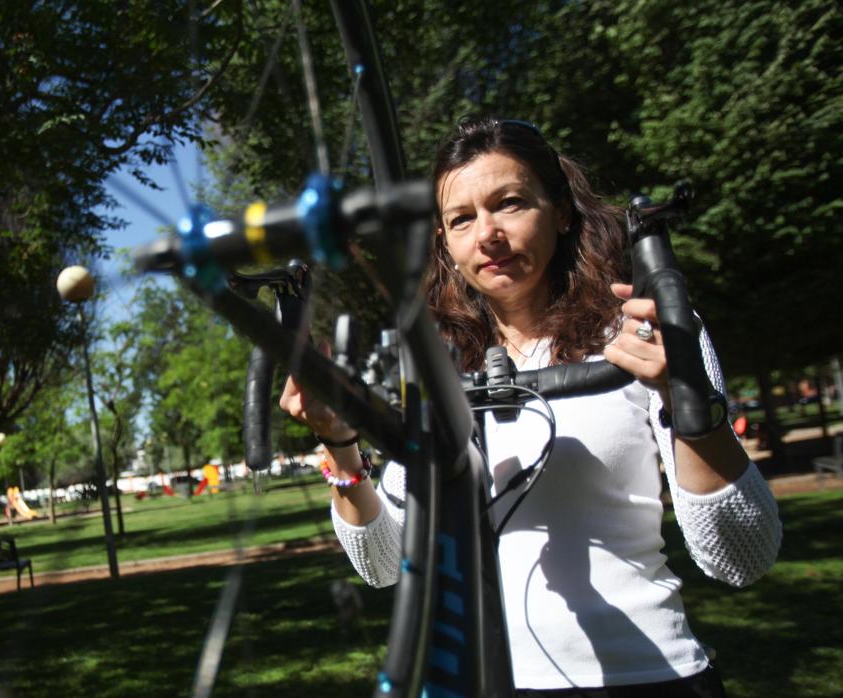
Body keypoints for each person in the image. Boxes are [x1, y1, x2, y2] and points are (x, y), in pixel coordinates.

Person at [280, 117, 782, 696]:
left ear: (562, 212)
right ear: (444, 240)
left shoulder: (644, 334)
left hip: (647, 678)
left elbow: (742, 556)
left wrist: (687, 398)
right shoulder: (436, 365)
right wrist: (340, 444)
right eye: (461, 219)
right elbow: (384, 562)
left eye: (510, 203)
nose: (486, 234)